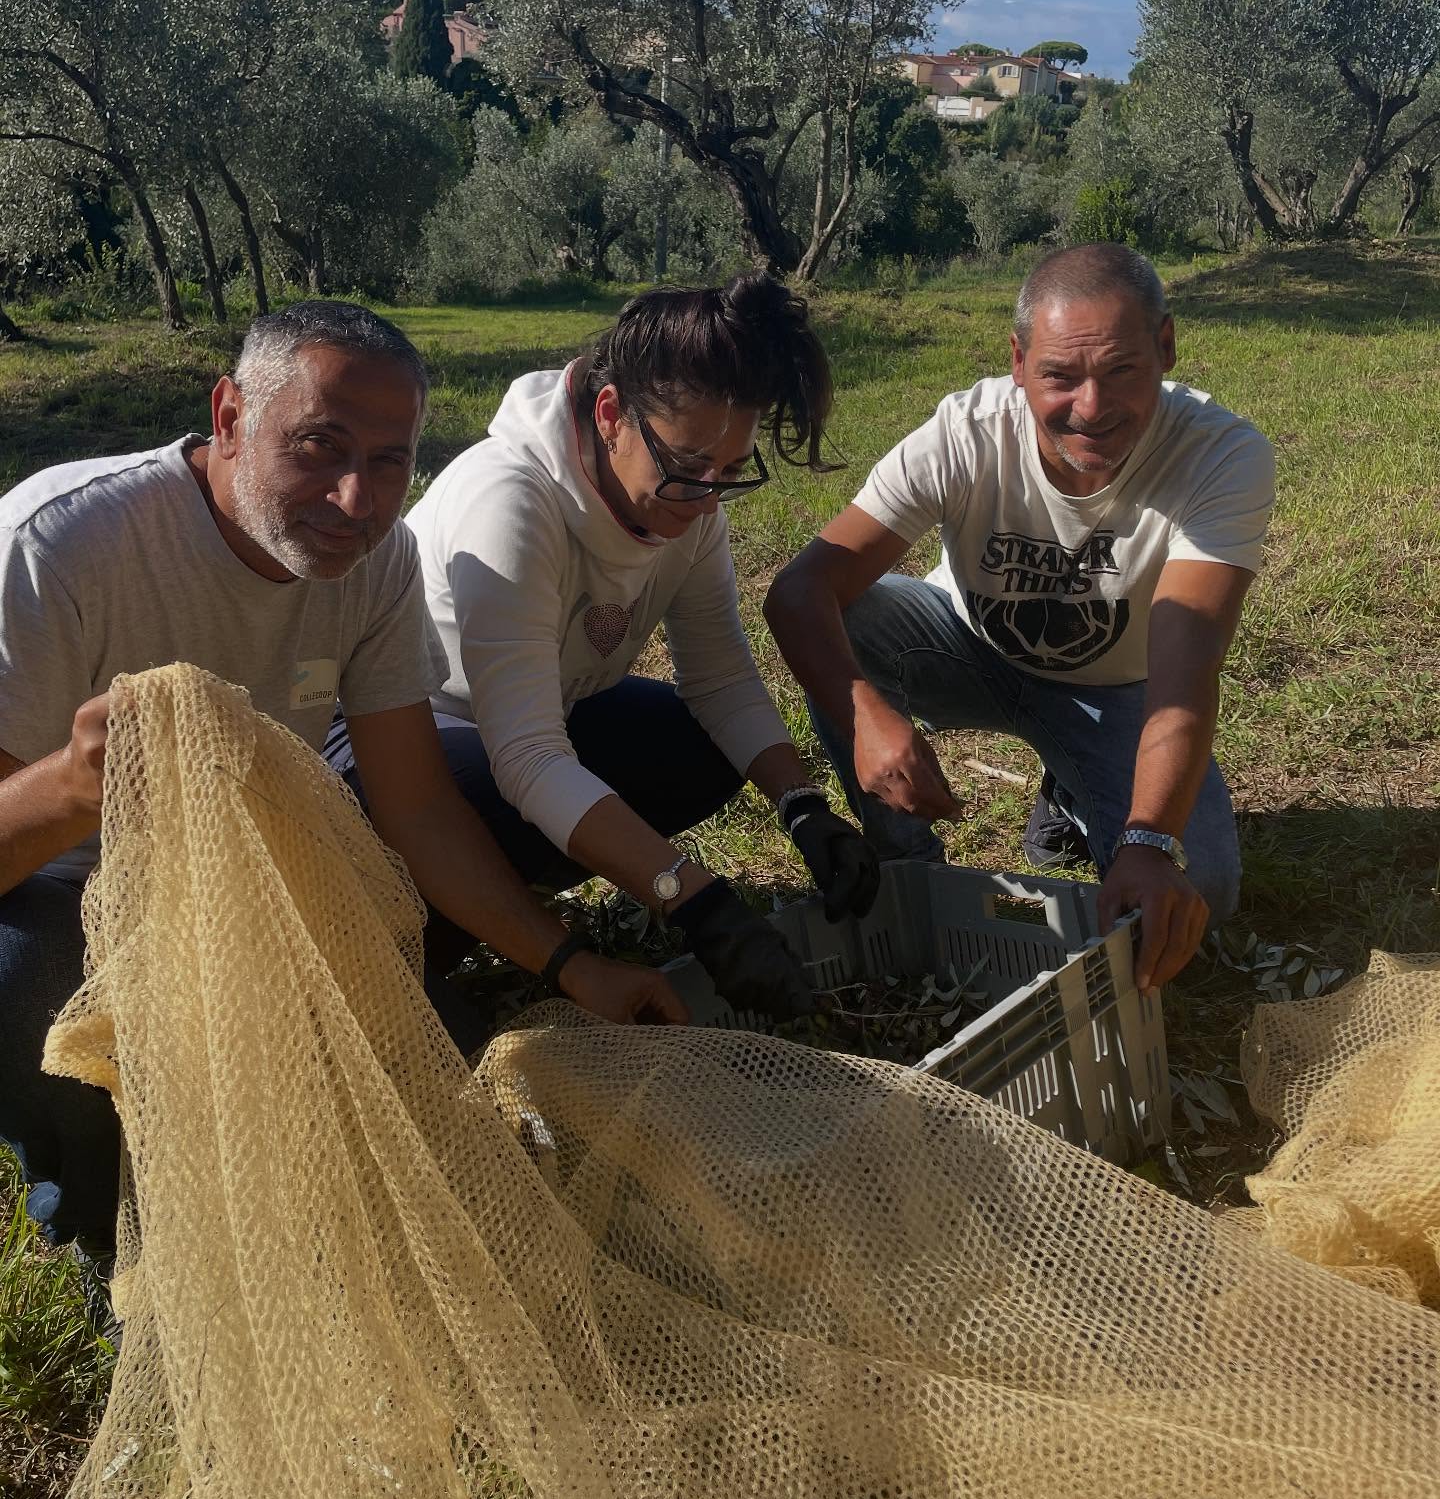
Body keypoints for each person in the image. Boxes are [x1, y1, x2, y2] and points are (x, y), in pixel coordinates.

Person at [0, 301, 680, 1246]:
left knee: (403, 1074)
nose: (357, 502)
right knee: (22, 986)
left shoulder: (378, 563)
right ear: (232, 417)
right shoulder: (58, 546)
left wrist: (570, 963)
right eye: (319, 447)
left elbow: (417, 808)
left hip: (252, 876)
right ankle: (94, 1215)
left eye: (389, 460)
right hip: (61, 888)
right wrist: (79, 783)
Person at [329, 274, 879, 1020]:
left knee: (700, 748)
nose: (708, 497)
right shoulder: (514, 501)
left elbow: (720, 680)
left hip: (539, 716)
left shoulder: (694, 505)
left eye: (729, 472)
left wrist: (803, 805)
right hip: (402, 738)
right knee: (496, 796)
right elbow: (526, 756)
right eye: (687, 469)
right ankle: (424, 929)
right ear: (612, 413)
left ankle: (508, 881)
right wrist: (692, 899)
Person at [765, 243, 1275, 996]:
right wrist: (865, 711)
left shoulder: (1221, 457)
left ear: (1165, 346)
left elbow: (1185, 669)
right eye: (1060, 376)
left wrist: (1146, 841)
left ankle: (1077, 794)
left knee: (1205, 889)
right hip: (962, 644)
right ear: (1018, 361)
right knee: (857, 618)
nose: (1091, 409)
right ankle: (904, 864)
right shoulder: (965, 434)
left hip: (1119, 691)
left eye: (1122, 371)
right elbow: (799, 591)